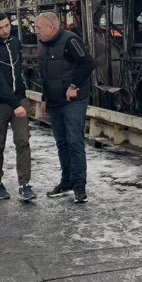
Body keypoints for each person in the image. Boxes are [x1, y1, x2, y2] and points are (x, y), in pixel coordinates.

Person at [33, 11, 95, 203]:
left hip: (72, 101)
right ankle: (66, 181)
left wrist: (74, 86)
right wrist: (44, 98)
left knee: (74, 142)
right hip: (54, 101)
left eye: (38, 28)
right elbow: (46, 75)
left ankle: (79, 186)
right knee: (62, 143)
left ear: (52, 26)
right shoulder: (43, 45)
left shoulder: (70, 41)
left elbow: (87, 63)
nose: (35, 32)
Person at [0, 12, 34, 201]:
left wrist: (21, 98)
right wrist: (15, 104)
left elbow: (19, 72)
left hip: (19, 98)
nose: (4, 30)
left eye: (6, 26)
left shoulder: (15, 44)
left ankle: (25, 184)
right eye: (0, 28)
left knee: (23, 141)